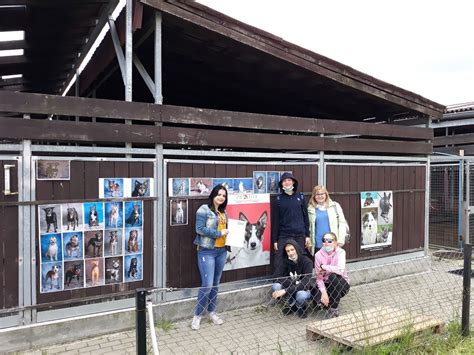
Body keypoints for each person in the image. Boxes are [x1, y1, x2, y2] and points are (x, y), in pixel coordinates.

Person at [191, 184, 229, 330]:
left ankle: (212, 312)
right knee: (207, 284)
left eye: (224, 196)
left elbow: (225, 231)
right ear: (213, 194)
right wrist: (219, 234)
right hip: (207, 251)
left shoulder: (223, 212)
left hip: (221, 251)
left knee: (215, 283)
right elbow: (199, 229)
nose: (221, 197)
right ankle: (197, 316)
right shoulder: (203, 210)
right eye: (219, 194)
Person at [271, 172, 310, 270]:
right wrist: (275, 240)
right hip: (284, 234)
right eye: (284, 181)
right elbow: (275, 221)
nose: (287, 183)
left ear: (293, 182)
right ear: (282, 184)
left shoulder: (300, 197)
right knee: (279, 259)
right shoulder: (278, 199)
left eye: (289, 180)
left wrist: (308, 235)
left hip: (299, 235)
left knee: (300, 258)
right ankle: (280, 281)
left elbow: (306, 217)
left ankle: (300, 281)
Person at [271, 239, 313, 318]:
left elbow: (305, 283)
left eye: (292, 250)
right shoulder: (285, 261)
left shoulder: (307, 262)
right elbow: (276, 276)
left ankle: (301, 307)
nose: (290, 253)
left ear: (296, 249)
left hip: (303, 289)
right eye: (288, 251)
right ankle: (292, 305)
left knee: (301, 295)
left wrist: (285, 290)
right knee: (276, 286)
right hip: (291, 287)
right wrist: (294, 283)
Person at [313, 232, 350, 318]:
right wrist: (324, 293)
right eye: (324, 240)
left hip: (341, 283)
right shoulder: (318, 255)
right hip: (327, 284)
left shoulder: (341, 252)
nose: (326, 243)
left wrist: (324, 267)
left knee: (333, 276)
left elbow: (340, 270)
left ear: (336, 242)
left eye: (330, 241)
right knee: (317, 300)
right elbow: (319, 278)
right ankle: (328, 302)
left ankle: (334, 309)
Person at [307, 185, 348, 254]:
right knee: (319, 264)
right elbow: (308, 226)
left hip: (332, 243)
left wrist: (340, 240)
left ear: (326, 194)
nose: (320, 196)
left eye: (322, 194)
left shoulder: (335, 206)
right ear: (314, 196)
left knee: (333, 264)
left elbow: (342, 223)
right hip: (318, 244)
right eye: (317, 194)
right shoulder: (310, 209)